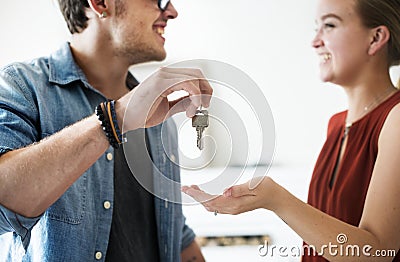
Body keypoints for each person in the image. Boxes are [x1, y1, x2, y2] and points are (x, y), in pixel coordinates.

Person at [183, 0, 400, 261]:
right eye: (316, 28)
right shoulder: (336, 124)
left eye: (329, 25)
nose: (315, 41)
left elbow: (375, 253)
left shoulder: (395, 119)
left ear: (376, 38)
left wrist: (276, 199)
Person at [0, 0, 212, 261]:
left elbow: (174, 234)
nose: (171, 11)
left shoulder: (161, 120)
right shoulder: (22, 87)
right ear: (100, 3)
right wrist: (115, 118)